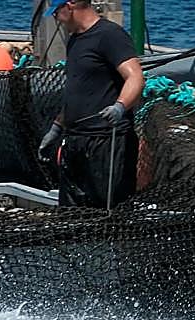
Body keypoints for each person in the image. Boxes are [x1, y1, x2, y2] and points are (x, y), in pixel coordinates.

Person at [38, 0, 143, 208]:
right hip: (76, 140)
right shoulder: (74, 41)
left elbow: (135, 77)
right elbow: (77, 90)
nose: (56, 18)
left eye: (57, 11)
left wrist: (120, 106)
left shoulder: (109, 35)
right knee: (71, 209)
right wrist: (57, 128)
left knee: (106, 208)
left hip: (106, 140)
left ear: (70, 6)